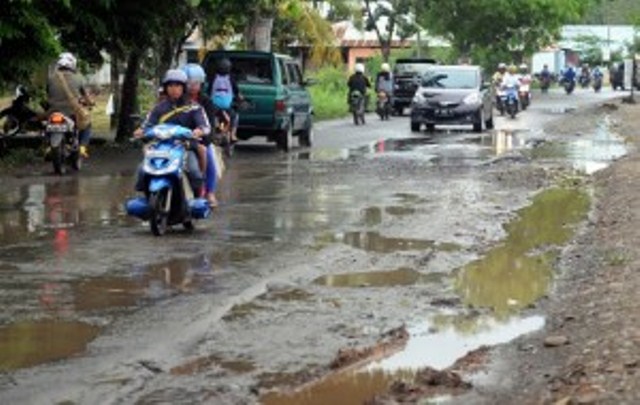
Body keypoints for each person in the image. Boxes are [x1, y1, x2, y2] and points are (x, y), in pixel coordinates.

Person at [133, 69, 211, 195]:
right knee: (143, 170)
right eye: (170, 85)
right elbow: (148, 124)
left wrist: (199, 130)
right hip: (160, 146)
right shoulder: (159, 107)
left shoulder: (195, 107)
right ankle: (146, 198)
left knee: (194, 172)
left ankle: (198, 198)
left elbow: (205, 126)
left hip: (186, 146)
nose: (173, 89)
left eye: (177, 85)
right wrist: (140, 131)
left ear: (183, 88)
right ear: (165, 88)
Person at [183, 63, 221, 207]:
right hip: (178, 139)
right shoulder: (177, 101)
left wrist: (203, 140)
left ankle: (209, 192)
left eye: (196, 83)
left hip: (200, 139)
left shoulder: (206, 102)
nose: (193, 86)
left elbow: (209, 126)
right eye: (190, 83)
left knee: (209, 157)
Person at [46, 52, 94, 158]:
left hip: (54, 111)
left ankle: (48, 146)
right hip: (72, 112)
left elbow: (48, 94)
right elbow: (86, 96)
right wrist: (90, 103)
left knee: (47, 125)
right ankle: (82, 148)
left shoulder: (51, 78)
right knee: (87, 124)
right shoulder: (79, 78)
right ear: (72, 64)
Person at [209, 58, 241, 144]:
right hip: (227, 106)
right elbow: (236, 90)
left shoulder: (213, 78)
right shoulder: (231, 78)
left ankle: (211, 132)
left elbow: (209, 90)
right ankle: (233, 135)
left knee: (210, 117)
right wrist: (239, 97)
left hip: (214, 106)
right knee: (235, 116)